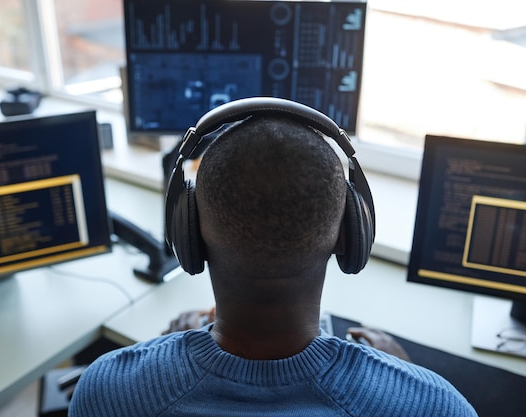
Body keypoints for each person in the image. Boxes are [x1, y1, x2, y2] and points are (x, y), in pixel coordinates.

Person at [69, 104, 477, 416]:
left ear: (190, 235)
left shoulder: (103, 392)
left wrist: (163, 357)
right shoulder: (439, 406)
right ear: (350, 236)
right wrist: (400, 376)